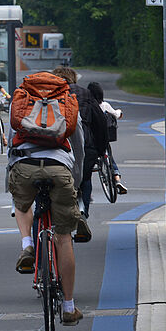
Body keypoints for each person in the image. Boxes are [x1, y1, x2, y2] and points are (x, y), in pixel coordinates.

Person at [8, 70, 86, 325]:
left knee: (21, 204)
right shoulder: (66, 100)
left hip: (24, 166)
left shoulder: (23, 98)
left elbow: (12, 143)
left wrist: (11, 182)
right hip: (59, 167)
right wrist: (77, 182)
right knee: (63, 237)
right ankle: (69, 306)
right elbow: (79, 146)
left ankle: (27, 244)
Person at [51, 66, 104, 240]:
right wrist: (100, 150)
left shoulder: (47, 93)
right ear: (73, 79)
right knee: (85, 180)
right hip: (85, 146)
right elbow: (100, 123)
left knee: (52, 184)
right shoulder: (85, 94)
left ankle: (48, 220)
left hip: (54, 148)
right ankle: (83, 214)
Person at [87, 81, 128, 194]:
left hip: (90, 140)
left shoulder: (87, 106)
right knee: (109, 156)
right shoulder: (105, 105)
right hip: (103, 137)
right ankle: (116, 178)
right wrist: (120, 112)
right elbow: (116, 114)